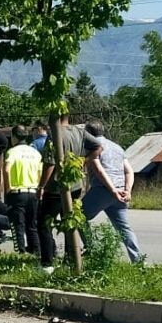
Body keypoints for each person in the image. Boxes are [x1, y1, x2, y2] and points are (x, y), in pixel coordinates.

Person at [37, 114, 96, 273]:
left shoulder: (54, 134)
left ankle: (47, 263)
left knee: (44, 223)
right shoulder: (80, 131)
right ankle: (70, 258)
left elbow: (50, 163)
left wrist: (41, 186)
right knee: (69, 220)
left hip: (56, 186)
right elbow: (98, 147)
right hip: (75, 185)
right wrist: (83, 161)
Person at [81, 120, 144, 264]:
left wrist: (112, 190)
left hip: (103, 190)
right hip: (121, 191)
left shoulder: (92, 146)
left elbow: (98, 169)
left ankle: (92, 249)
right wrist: (127, 190)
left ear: (87, 133)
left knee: (78, 217)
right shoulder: (117, 147)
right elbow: (128, 171)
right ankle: (138, 261)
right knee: (124, 227)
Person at [3, 125, 42, 254]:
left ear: (14, 137)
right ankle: (35, 250)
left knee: (18, 224)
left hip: (17, 192)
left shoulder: (12, 152)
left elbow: (7, 170)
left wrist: (7, 188)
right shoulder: (35, 153)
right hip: (33, 191)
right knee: (32, 224)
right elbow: (40, 172)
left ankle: (21, 251)